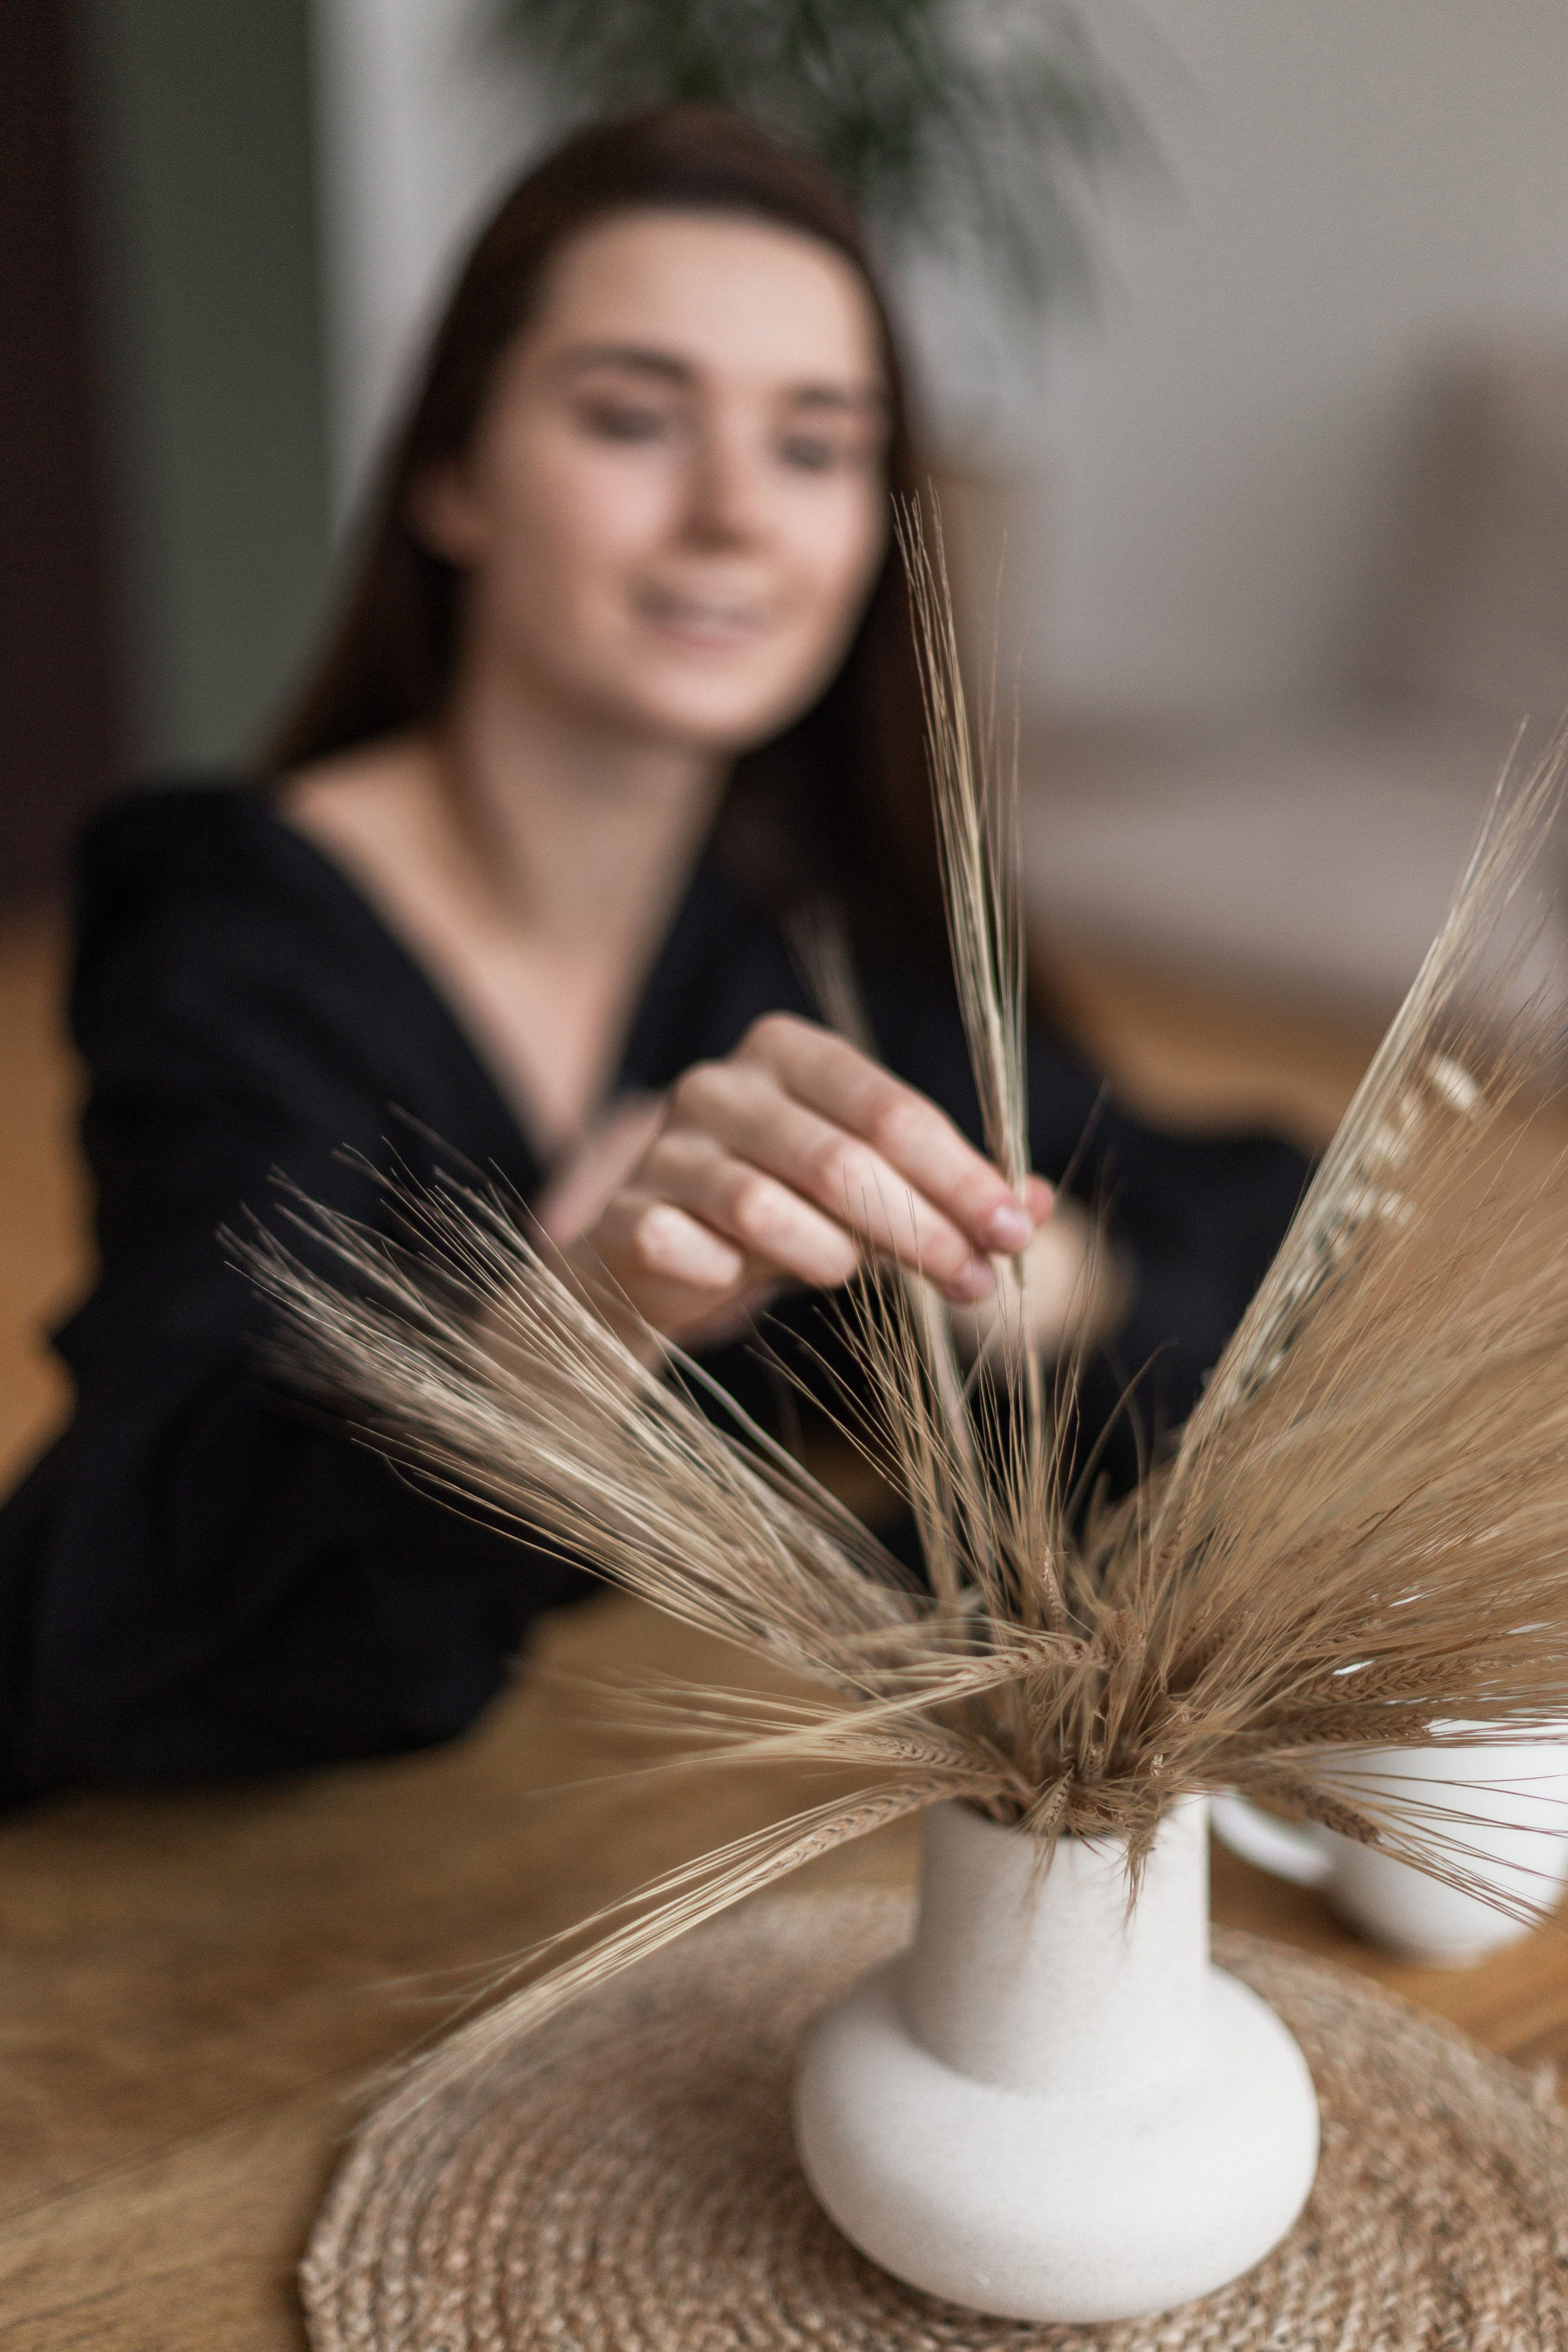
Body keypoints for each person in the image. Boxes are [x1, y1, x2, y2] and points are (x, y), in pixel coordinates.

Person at [0, 107, 1306, 1805]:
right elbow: (105, 1618)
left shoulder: (801, 920)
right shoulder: (239, 933)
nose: (732, 518)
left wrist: (1031, 1282)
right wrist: (569, 1326)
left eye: (818, 448)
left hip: (650, 1805)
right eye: (633, 419)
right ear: (450, 475)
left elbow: (1246, 1232)